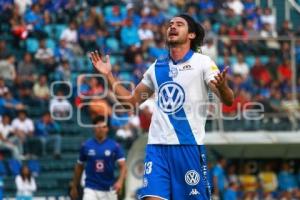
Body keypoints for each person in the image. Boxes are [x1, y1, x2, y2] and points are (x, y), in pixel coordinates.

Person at [89, 14, 234, 200]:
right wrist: (108, 75)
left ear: (191, 35)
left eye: (179, 24)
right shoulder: (158, 66)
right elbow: (131, 102)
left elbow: (228, 100)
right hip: (156, 149)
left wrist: (222, 87)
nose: (172, 27)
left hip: (187, 147)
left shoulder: (202, 63)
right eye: (170, 24)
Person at [70, 116, 127, 200]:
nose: (100, 129)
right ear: (94, 128)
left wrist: (120, 182)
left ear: (107, 129)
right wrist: (74, 186)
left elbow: (123, 167)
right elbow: (79, 167)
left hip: (109, 188)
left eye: (103, 127)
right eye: (98, 127)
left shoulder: (114, 146)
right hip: (90, 188)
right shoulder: (86, 145)